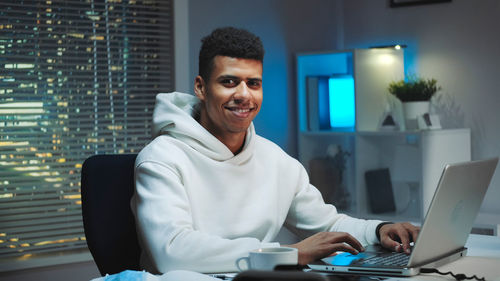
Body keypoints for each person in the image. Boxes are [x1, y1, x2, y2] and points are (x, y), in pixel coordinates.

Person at [130, 27, 419, 274]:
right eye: (229, 81)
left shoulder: (276, 160)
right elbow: (172, 252)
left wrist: (380, 230)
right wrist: (287, 254)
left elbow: (327, 224)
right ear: (201, 88)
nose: (243, 94)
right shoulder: (162, 159)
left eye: (253, 83)